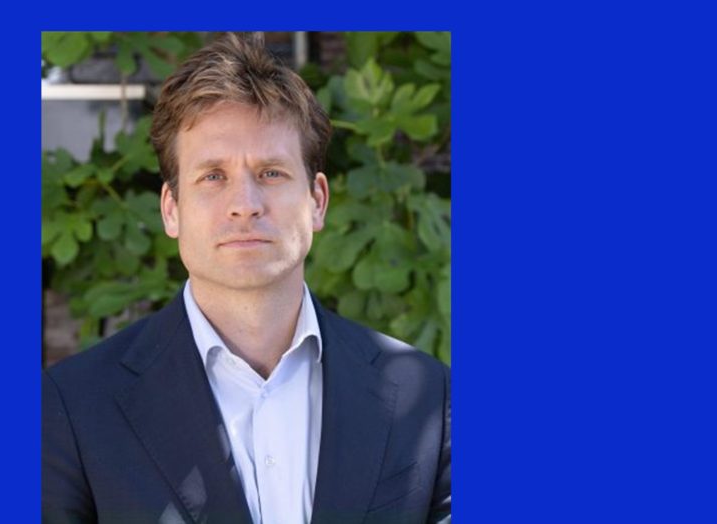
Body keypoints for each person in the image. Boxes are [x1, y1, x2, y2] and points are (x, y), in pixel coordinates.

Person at [42, 32, 451, 524]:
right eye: (213, 176)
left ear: (317, 201)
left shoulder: (427, 394)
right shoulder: (73, 405)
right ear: (171, 210)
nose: (245, 204)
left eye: (271, 173)